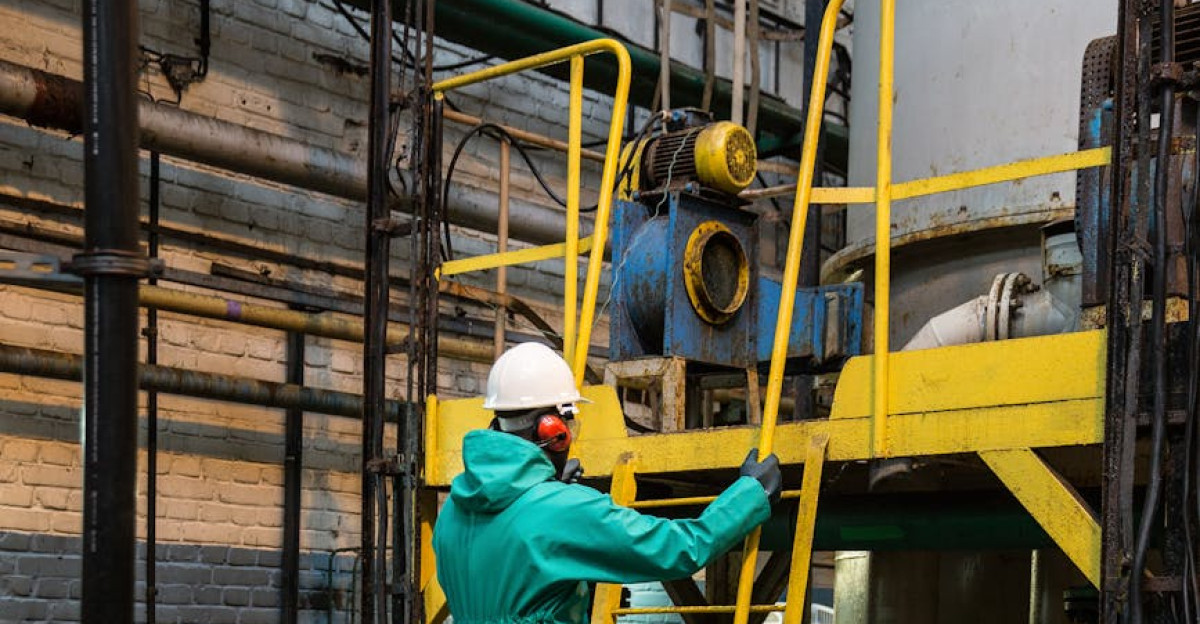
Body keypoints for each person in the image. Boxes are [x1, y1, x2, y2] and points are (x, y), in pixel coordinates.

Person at [433, 342, 783, 624]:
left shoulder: (452, 512)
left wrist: (546, 489)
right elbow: (679, 548)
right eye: (568, 427)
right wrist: (749, 495)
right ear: (552, 430)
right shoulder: (566, 511)